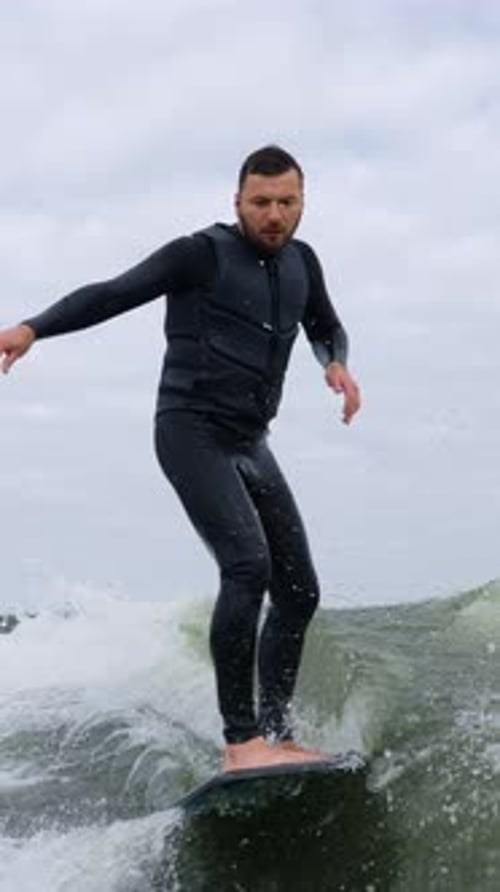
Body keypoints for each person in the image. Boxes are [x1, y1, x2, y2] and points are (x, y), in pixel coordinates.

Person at [0, 145, 360, 772]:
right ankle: (241, 740)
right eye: (261, 202)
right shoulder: (201, 254)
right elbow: (113, 292)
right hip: (190, 430)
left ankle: (276, 734)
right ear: (237, 201)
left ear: (303, 202)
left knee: (298, 589)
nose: (274, 214)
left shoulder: (304, 263)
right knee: (247, 564)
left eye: (286, 202)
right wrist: (33, 328)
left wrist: (335, 363)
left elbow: (326, 324)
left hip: (250, 441)